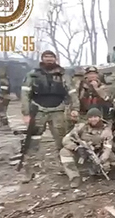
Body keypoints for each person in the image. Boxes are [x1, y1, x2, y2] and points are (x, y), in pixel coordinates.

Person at [19, 50, 79, 183]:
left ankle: (65, 168)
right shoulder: (33, 74)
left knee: (62, 142)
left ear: (55, 59)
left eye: (51, 57)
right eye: (46, 57)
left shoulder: (63, 74)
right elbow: (25, 94)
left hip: (58, 111)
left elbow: (72, 92)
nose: (49, 59)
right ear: (42, 59)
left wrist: (75, 109)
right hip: (38, 111)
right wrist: (26, 113)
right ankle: (28, 172)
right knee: (32, 143)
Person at [59, 108, 115, 188]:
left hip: (97, 153)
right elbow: (66, 140)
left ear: (100, 117)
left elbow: (107, 148)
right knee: (64, 152)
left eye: (95, 117)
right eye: (91, 117)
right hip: (81, 152)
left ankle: (92, 170)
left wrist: (100, 160)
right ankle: (75, 177)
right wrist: (76, 148)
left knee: (104, 168)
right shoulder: (81, 127)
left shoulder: (106, 130)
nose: (93, 119)